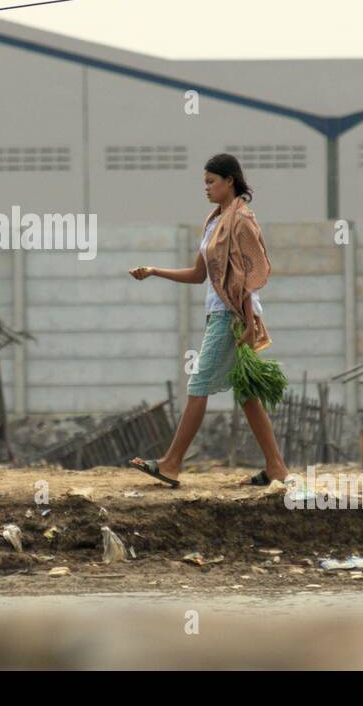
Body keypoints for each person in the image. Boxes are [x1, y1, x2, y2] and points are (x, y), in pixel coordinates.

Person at [126, 153, 295, 490]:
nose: (205, 188)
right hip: (219, 313)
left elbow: (251, 275)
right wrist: (154, 271)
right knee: (247, 392)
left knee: (199, 384)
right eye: (204, 182)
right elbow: (198, 274)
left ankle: (171, 464)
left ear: (229, 180)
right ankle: (276, 468)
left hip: (229, 316)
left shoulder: (242, 220)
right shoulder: (215, 220)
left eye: (211, 182)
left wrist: (247, 323)